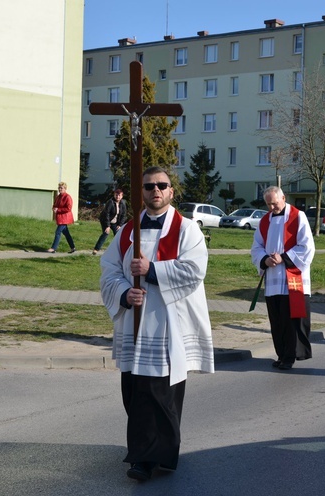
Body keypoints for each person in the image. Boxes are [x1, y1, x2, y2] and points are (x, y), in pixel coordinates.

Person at [100, 166, 214, 482]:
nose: (156, 191)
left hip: (167, 326)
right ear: (143, 192)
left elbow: (194, 270)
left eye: (162, 185)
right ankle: (153, 450)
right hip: (133, 324)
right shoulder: (126, 232)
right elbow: (108, 269)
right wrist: (124, 294)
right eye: (149, 186)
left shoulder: (187, 230)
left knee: (160, 394)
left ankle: (147, 457)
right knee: (133, 391)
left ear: (171, 191)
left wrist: (152, 271)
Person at [251, 186, 315, 370]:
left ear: (284, 198)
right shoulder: (264, 221)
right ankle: (281, 354)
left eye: (275, 203)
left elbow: (307, 246)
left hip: (292, 279)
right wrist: (265, 259)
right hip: (272, 280)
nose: (272, 208)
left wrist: (283, 258)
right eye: (268, 204)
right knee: (278, 321)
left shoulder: (298, 216)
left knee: (291, 321)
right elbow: (256, 247)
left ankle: (290, 356)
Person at [92, 188, 127, 255]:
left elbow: (123, 215)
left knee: (118, 235)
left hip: (115, 222)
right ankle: (96, 249)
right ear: (114, 195)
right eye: (116, 195)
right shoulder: (110, 202)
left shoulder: (123, 203)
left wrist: (120, 225)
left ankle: (118, 251)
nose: (117, 197)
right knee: (106, 233)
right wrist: (107, 226)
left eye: (119, 195)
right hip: (106, 220)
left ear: (122, 196)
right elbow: (106, 214)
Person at [46, 182, 76, 253]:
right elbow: (55, 205)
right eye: (59, 188)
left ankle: (54, 248)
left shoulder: (67, 197)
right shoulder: (58, 197)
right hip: (60, 218)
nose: (60, 189)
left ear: (65, 189)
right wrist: (54, 208)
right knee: (66, 234)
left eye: (61, 188)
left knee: (58, 232)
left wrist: (58, 210)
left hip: (65, 218)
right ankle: (73, 247)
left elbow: (69, 208)